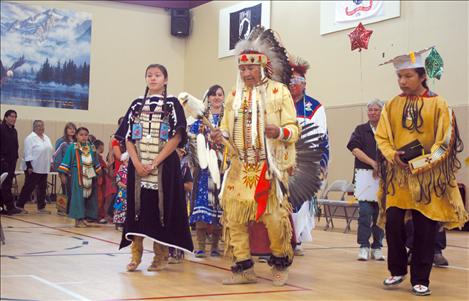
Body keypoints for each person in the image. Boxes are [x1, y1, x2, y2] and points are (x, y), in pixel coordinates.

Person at [376, 48, 468, 296]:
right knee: (393, 224)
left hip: (429, 179)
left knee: (425, 228)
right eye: (400, 77)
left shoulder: (439, 105)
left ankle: (421, 278)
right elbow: (382, 137)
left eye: (408, 76)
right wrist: (392, 155)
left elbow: (445, 144)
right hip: (398, 177)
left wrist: (420, 164)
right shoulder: (392, 105)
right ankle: (396, 271)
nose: (403, 81)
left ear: (422, 76)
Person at [211, 26, 299, 286]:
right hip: (240, 167)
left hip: (269, 166)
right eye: (242, 69)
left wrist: (279, 130)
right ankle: (243, 268)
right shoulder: (234, 96)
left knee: (273, 218)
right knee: (234, 219)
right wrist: (220, 136)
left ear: (262, 67)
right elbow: (226, 129)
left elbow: (294, 129)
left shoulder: (278, 92)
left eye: (250, 68)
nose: (246, 73)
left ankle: (280, 261)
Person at [115, 63, 193, 272]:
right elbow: (128, 138)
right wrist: (137, 164)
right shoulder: (136, 105)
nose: (153, 78)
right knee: (137, 210)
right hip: (139, 169)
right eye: (149, 75)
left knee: (162, 210)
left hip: (164, 169)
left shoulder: (173, 104)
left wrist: (155, 162)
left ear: (165, 80)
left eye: (157, 75)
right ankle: (135, 255)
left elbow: (177, 137)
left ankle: (161, 256)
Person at [288, 56, 330, 256]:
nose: (292, 85)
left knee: (300, 201)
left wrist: (322, 162)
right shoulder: (281, 103)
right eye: (290, 81)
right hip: (283, 160)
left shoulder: (314, 107)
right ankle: (281, 238)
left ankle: (296, 240)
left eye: (296, 82)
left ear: (304, 84)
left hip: (306, 161)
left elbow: (323, 136)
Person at [189, 84, 225, 258]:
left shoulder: (228, 119)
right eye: (213, 95)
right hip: (204, 171)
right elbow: (193, 140)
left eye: (219, 94)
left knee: (219, 207)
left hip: (223, 169)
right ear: (208, 98)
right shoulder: (200, 119)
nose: (217, 97)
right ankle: (201, 245)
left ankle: (216, 246)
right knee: (203, 206)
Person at [347, 99, 385, 261]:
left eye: (376, 110)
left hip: (383, 178)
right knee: (365, 213)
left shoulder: (387, 131)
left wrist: (382, 167)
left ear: (382, 111)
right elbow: (354, 148)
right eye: (370, 110)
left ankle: (377, 246)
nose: (373, 112)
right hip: (364, 177)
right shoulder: (360, 130)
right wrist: (372, 163)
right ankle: (363, 245)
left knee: (380, 213)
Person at [58, 127, 101, 227]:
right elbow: (66, 161)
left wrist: (98, 171)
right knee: (78, 197)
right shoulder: (73, 147)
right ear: (76, 136)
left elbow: (96, 160)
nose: (84, 137)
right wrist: (62, 175)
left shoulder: (91, 147)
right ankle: (78, 219)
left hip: (90, 174)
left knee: (89, 196)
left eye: (86, 135)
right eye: (81, 135)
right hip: (78, 176)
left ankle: (85, 217)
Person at [16, 120, 54, 214]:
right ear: (34, 127)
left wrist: (51, 163)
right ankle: (19, 205)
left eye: (42, 125)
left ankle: (41, 208)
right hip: (33, 167)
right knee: (29, 187)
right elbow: (27, 153)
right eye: (38, 126)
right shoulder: (30, 138)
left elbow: (49, 150)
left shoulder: (46, 137)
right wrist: (29, 166)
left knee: (42, 188)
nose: (41, 127)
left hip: (44, 167)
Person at [52, 122, 77, 215]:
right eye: (70, 128)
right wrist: (61, 173)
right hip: (65, 170)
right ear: (66, 130)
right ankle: (62, 209)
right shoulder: (61, 141)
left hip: (75, 171)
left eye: (74, 128)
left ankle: (70, 209)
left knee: (73, 191)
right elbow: (57, 157)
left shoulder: (77, 142)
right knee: (66, 190)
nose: (72, 130)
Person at [0, 110, 21, 215]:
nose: (14, 119)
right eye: (11, 116)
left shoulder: (14, 131)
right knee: (4, 185)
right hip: (3, 162)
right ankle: (8, 207)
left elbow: (15, 146)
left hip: (12, 162)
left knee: (8, 184)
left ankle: (7, 207)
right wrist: (2, 160)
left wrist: (16, 157)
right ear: (6, 117)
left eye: (15, 117)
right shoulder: (1, 129)